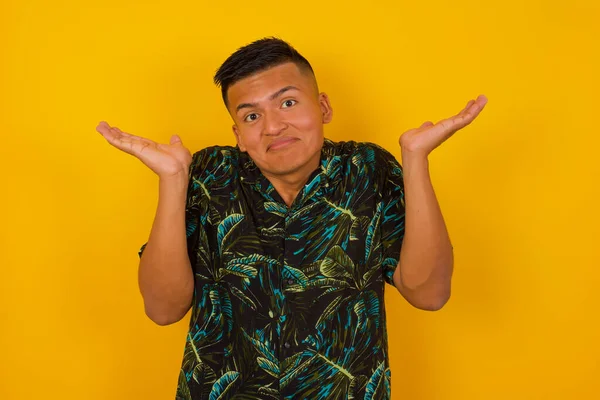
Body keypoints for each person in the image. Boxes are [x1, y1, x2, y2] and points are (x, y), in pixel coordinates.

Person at [96, 37, 487, 400]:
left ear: (323, 107)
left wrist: (415, 160)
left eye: (287, 103)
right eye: (251, 116)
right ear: (237, 133)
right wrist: (173, 180)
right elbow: (163, 309)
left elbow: (429, 293)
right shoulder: (208, 175)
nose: (272, 126)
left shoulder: (368, 170)